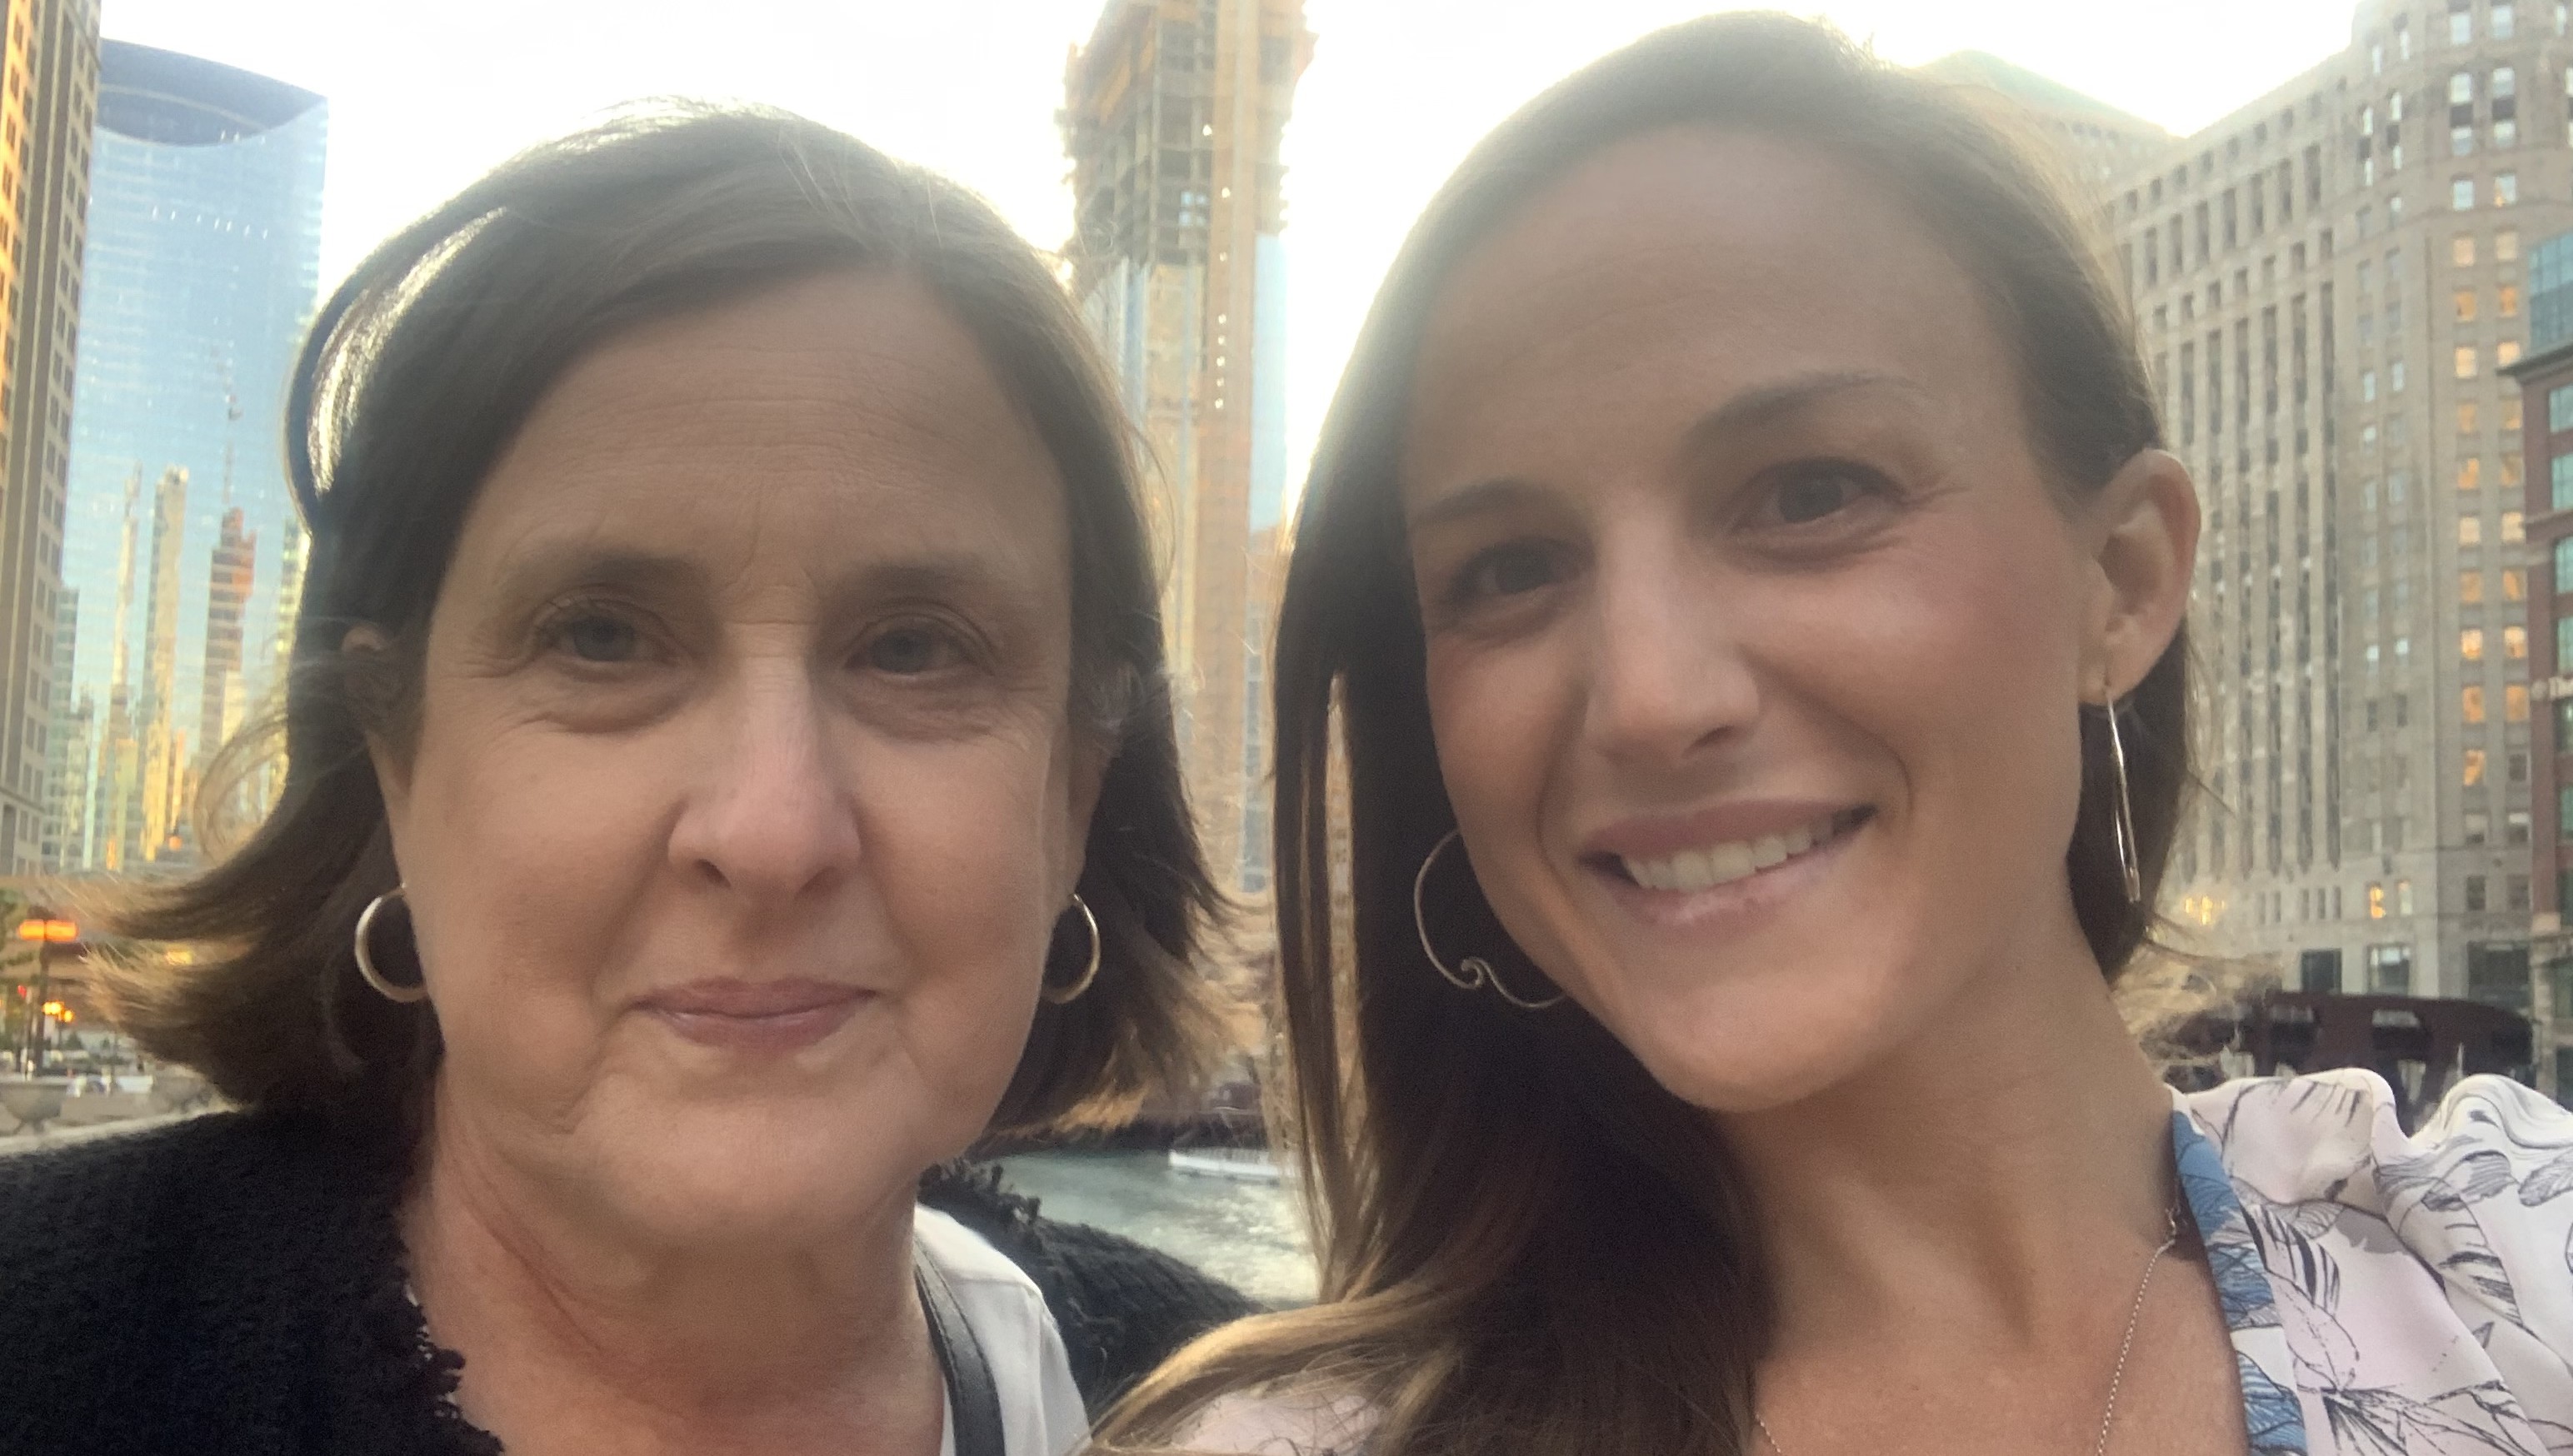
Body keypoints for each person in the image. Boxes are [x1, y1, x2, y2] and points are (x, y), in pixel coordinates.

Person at [1101, 16, 2573, 1456]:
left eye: (1810, 494)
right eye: (1510, 570)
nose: (1650, 697)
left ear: (2122, 581)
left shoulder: (2518, 1258)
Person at [0, 108, 1256, 1456]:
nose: (771, 832)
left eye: (913, 650)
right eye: (601, 637)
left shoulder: (1260, 1413)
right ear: (395, 756)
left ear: (1075, 791)